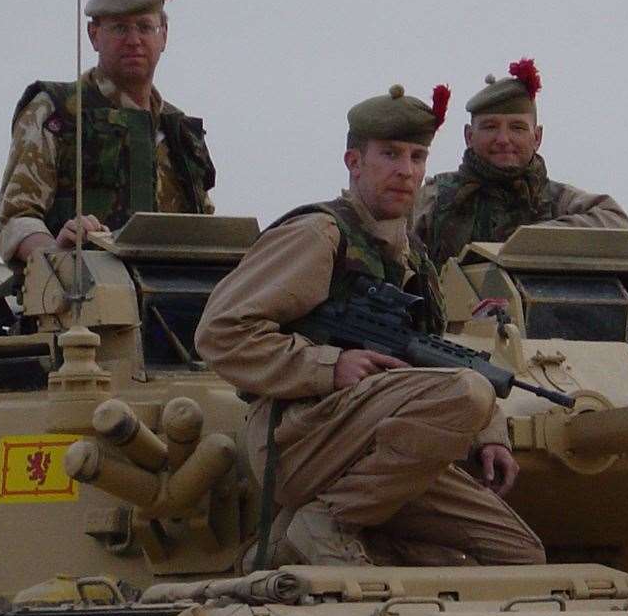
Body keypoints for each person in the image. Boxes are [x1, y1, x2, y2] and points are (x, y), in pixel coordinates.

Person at [195, 83, 545, 567]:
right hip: (299, 438)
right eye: (390, 155)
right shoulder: (320, 235)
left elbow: (434, 351)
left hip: (380, 446)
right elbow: (219, 332)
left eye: (418, 157)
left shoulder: (415, 257)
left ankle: (287, 545)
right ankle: (325, 521)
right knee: (467, 392)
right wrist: (329, 365)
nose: (406, 172)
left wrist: (489, 434)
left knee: (519, 553)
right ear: (354, 161)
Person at [0, 0, 215, 264]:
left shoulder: (179, 132)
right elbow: (16, 218)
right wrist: (56, 256)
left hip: (172, 302)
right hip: (78, 298)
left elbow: (208, 232)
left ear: (163, 35)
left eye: (145, 27)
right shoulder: (56, 110)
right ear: (94, 35)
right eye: (120, 28)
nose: (134, 40)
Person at [412, 58, 628, 269]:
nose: (503, 139)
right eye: (490, 127)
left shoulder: (557, 200)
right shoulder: (435, 199)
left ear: (537, 137)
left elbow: (616, 222)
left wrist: (532, 240)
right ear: (469, 136)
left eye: (517, 128)